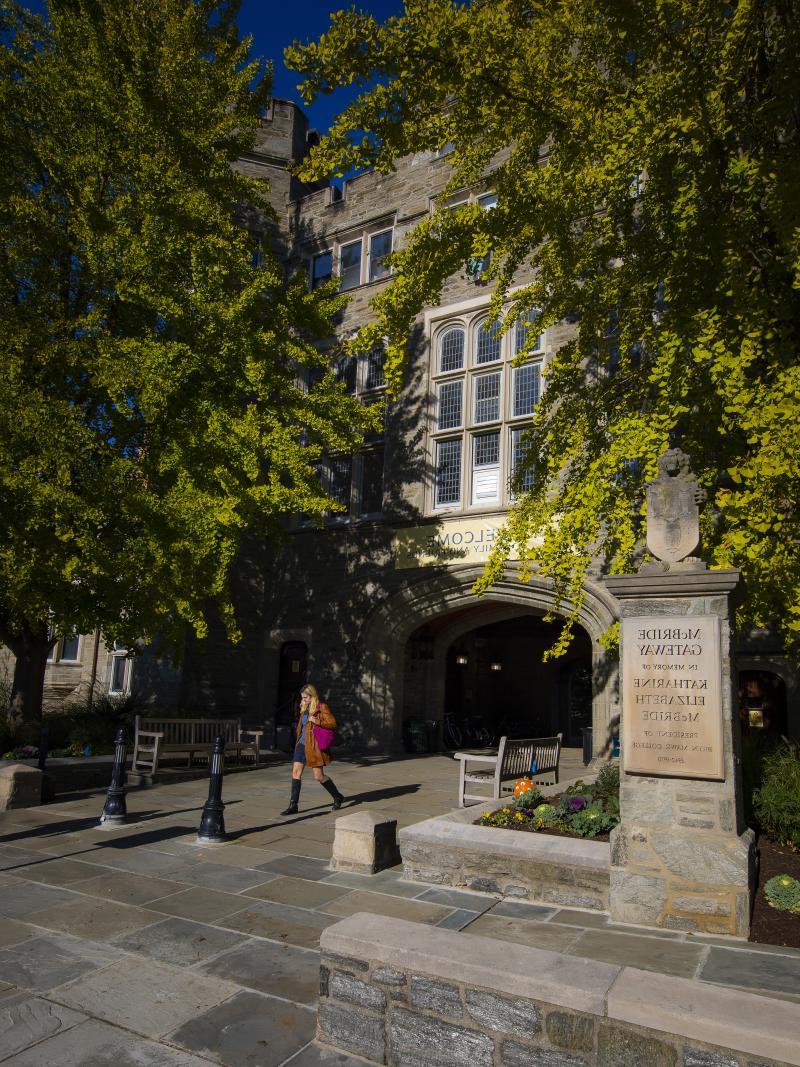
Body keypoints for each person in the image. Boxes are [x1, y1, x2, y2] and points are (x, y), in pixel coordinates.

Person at [281, 683, 344, 815]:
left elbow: (333, 723)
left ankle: (337, 796)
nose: (303, 700)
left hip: (313, 747)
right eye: (302, 697)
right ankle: (293, 805)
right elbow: (302, 727)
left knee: (318, 776)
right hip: (301, 745)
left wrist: (317, 721)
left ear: (312, 696)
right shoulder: (304, 707)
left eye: (305, 697)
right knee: (296, 773)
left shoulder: (322, 707)